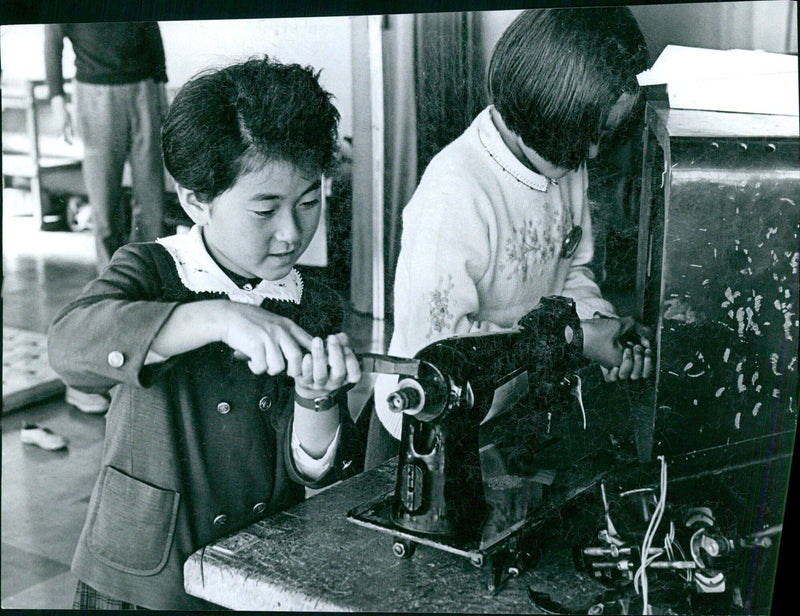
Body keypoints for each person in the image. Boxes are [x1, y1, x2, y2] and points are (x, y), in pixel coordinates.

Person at [47, 56, 362, 610]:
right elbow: (69, 346)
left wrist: (317, 401)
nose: (292, 233)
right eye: (265, 209)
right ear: (196, 200)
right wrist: (216, 316)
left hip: (253, 566)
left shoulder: (312, 300)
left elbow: (310, 465)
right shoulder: (152, 269)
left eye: (309, 202)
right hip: (142, 574)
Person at [366, 7, 654, 468]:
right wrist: (577, 341)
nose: (594, 153)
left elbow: (571, 271)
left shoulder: (563, 159)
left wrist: (603, 326)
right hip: (432, 428)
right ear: (542, 109)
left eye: (603, 133)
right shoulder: (454, 195)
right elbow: (438, 353)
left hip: (512, 408)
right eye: (586, 135)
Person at [45, 22, 171, 414]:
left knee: (151, 205)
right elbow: (53, 39)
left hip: (144, 87)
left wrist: (160, 83)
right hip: (94, 92)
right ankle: (110, 303)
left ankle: (157, 296)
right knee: (104, 210)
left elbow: (150, 26)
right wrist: (56, 98)